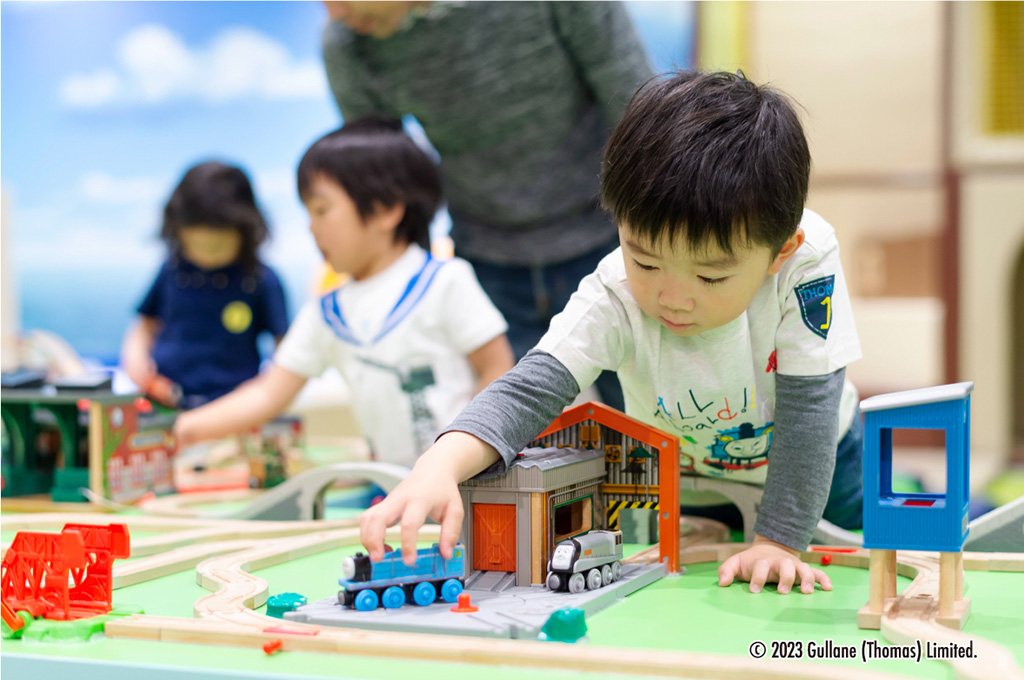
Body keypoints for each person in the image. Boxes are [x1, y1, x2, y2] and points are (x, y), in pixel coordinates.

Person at [358, 71, 864, 596]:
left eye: (711, 276)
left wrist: (779, 542)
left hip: (820, 467)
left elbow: (809, 415)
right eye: (645, 260)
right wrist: (438, 464)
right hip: (692, 477)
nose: (673, 297)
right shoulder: (615, 291)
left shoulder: (807, 263)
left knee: (846, 569)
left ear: (780, 251)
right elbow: (531, 387)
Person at [320, 1, 655, 410]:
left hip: (608, 236)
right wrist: (422, 290)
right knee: (511, 438)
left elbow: (641, 110)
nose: (333, 12)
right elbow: (386, 174)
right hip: (486, 256)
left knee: (648, 418)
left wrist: (650, 238)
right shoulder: (351, 40)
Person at [173, 118, 515, 468]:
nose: (311, 226)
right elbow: (268, 392)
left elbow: (498, 370)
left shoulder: (445, 282)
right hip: (392, 492)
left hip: (469, 486)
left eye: (322, 210)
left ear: (385, 209)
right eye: (307, 213)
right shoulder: (327, 312)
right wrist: (184, 429)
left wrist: (463, 460)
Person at [121, 161, 289, 410]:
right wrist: (137, 366)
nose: (206, 257)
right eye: (195, 244)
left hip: (232, 410)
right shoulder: (172, 271)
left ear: (245, 232)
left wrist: (263, 392)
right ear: (177, 233)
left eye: (217, 246)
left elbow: (286, 352)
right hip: (164, 401)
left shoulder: (259, 279)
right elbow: (144, 327)